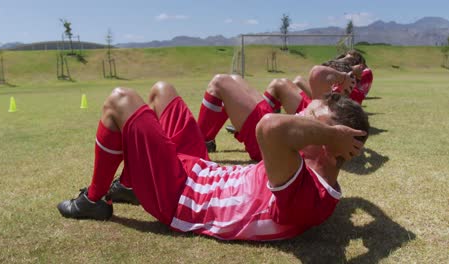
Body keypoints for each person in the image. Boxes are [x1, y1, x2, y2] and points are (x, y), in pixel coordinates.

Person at [57, 81, 369, 241]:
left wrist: (331, 134)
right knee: (162, 90)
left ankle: (93, 201)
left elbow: (270, 127)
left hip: (180, 196)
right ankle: (130, 185)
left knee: (120, 100)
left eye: (309, 117)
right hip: (200, 171)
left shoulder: (311, 197)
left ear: (333, 144)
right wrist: (327, 129)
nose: (299, 116)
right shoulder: (304, 167)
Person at [198, 64, 357, 160]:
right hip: (275, 124)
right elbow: (311, 77)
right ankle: (209, 139)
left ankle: (198, 143)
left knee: (219, 82)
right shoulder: (327, 111)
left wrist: (343, 77)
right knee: (234, 78)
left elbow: (318, 73)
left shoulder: (328, 116)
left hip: (269, 142)